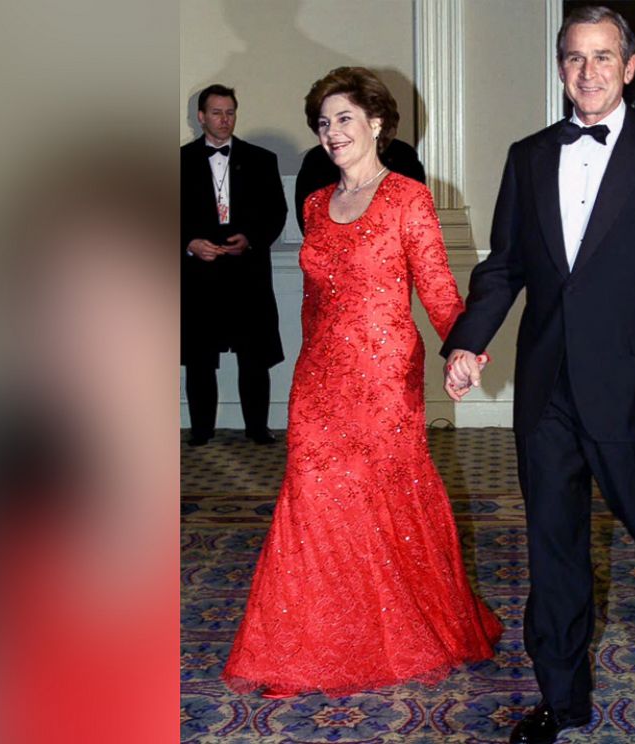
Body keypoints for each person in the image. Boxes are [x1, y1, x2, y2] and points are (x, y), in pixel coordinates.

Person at [442, 7, 635, 743]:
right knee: (554, 546)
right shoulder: (528, 155)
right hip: (547, 388)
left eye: (603, 58)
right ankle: (560, 700)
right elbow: (503, 267)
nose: (588, 72)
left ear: (630, 68)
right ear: (561, 66)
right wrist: (468, 343)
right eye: (574, 58)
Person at [222, 67, 501, 698]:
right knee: (313, 497)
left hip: (384, 378)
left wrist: (464, 348)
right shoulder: (317, 204)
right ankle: (314, 638)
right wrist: (304, 369)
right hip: (319, 377)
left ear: (377, 123)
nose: (331, 132)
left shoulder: (408, 197)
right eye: (322, 122)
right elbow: (315, 302)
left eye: (344, 118)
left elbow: (437, 291)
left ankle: (399, 631)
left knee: (386, 500)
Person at [181, 84, 287, 446]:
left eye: (229, 113)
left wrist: (252, 239)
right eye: (216, 113)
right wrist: (189, 243)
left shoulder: (262, 159)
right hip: (198, 274)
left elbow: (277, 212)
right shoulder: (175, 162)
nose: (224, 120)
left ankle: (258, 427)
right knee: (199, 358)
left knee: (254, 356)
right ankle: (201, 429)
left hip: (248, 273)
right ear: (200, 117)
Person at [294, 136, 425, 235]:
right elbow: (308, 220)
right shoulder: (319, 158)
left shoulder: (402, 155)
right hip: (335, 257)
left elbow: (416, 215)